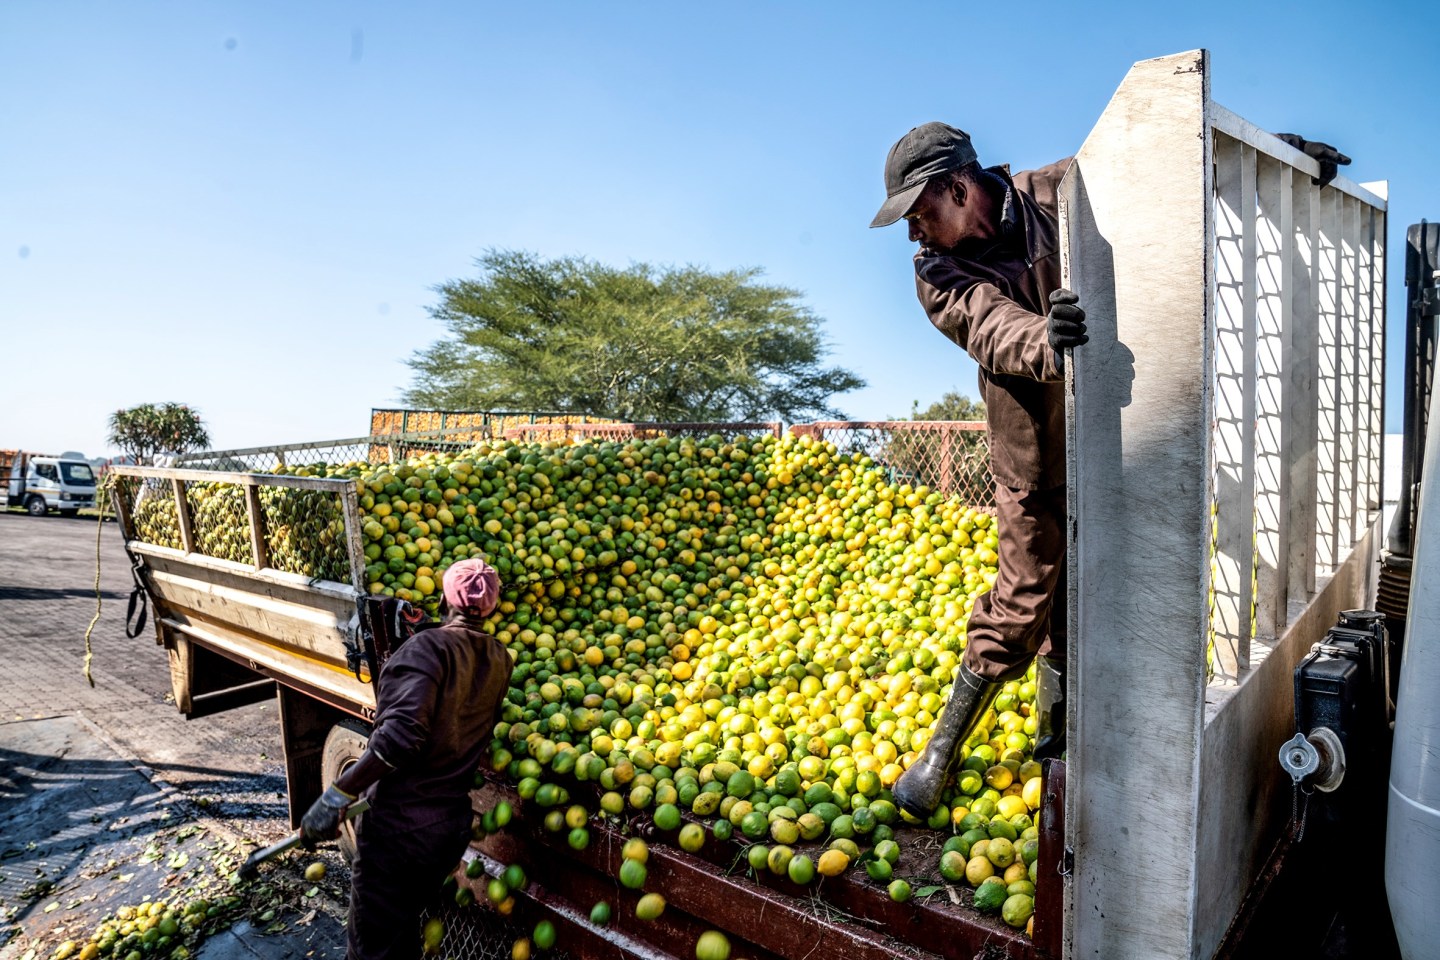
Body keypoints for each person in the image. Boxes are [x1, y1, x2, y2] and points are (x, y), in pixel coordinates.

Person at [870, 122, 1084, 819]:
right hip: (1034, 450)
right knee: (1023, 600)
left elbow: (1163, 175)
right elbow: (990, 325)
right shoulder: (936, 270)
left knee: (1082, 599)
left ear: (960, 188)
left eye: (919, 214)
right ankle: (942, 750)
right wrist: (1048, 341)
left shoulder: (1064, 192)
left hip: (1116, 436)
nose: (913, 235)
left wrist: (1247, 167)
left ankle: (1059, 739)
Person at [301, 557, 512, 960]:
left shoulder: (426, 648)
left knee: (373, 947)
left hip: (401, 832)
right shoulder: (500, 659)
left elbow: (399, 739)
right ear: (493, 609)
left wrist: (337, 794)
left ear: (443, 601)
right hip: (446, 830)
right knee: (400, 932)